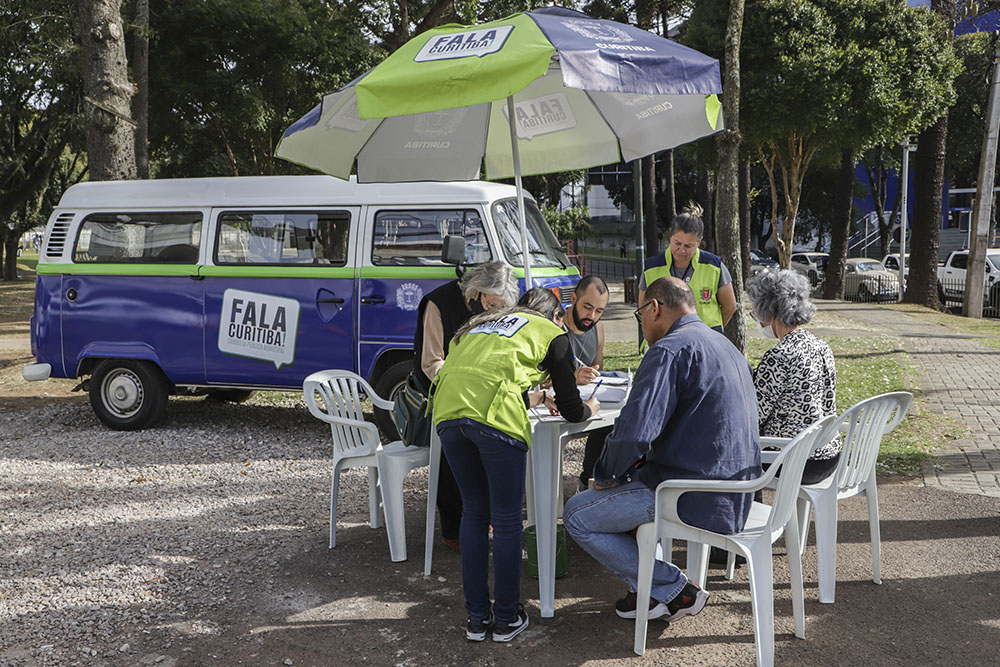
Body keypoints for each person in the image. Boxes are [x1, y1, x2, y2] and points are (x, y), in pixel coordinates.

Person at [564, 277, 760, 622]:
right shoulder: (725, 344)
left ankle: (674, 589)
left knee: (578, 515)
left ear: (654, 307)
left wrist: (606, 474)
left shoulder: (669, 350)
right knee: (628, 484)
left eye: (640, 314)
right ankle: (649, 591)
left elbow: (634, 433)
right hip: (739, 491)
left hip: (691, 493)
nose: (642, 324)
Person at [433, 287, 600, 643]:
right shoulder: (551, 332)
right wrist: (592, 410)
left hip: (448, 411)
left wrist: (537, 394)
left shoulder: (482, 323)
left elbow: (482, 375)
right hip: (494, 419)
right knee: (508, 520)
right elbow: (573, 410)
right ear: (556, 316)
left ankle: (477, 620)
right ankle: (507, 618)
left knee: (475, 514)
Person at [412, 261, 518, 552]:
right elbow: (431, 362)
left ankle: (488, 513)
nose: (493, 312)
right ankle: (455, 528)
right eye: (491, 304)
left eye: (500, 307)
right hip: (442, 391)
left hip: (479, 390)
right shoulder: (439, 303)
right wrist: (464, 383)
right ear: (477, 291)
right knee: (457, 438)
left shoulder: (495, 310)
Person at [747, 269, 840, 484]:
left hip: (793, 460)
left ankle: (751, 511)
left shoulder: (778, 356)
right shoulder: (821, 346)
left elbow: (754, 416)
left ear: (770, 312)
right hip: (828, 455)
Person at [638, 203, 738, 333]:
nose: (682, 250)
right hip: (665, 339)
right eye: (677, 243)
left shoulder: (714, 266)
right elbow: (643, 309)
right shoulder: (651, 268)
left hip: (704, 340)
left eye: (688, 246)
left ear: (699, 242)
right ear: (670, 237)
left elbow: (730, 307)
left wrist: (712, 333)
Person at [563, 276, 612, 489]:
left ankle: (591, 480)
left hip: (589, 404)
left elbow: (596, 370)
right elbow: (536, 380)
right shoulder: (554, 327)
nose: (591, 316)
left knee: (615, 423)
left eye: (599, 311)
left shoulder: (597, 329)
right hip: (557, 407)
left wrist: (593, 376)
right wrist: (572, 378)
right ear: (573, 298)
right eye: (587, 307)